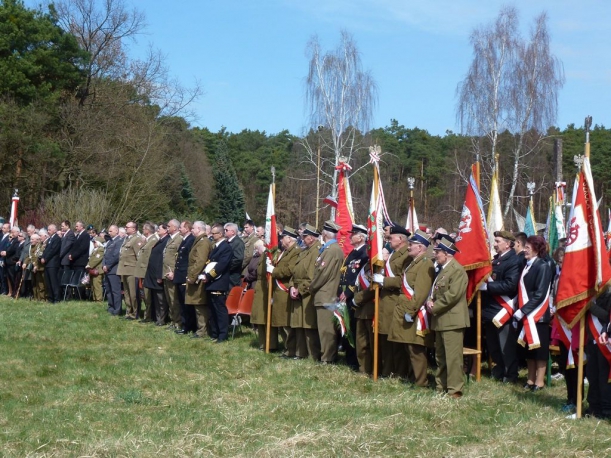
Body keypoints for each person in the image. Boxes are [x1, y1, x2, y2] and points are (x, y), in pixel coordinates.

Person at [388, 229, 435, 386]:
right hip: (404, 308)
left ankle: (421, 382)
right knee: (407, 346)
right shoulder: (413, 262)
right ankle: (410, 376)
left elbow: (421, 292)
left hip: (414, 311)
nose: (408, 247)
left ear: (420, 247)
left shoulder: (425, 263)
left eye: (412, 245)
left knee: (416, 348)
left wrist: (411, 311)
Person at [426, 238, 469, 398]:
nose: (435, 254)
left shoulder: (457, 270)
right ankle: (441, 386)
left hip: (452, 321)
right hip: (441, 320)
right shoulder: (443, 270)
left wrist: (434, 307)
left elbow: (453, 295)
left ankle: (454, 390)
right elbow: (436, 291)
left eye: (438, 252)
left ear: (447, 253)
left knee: (453, 357)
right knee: (441, 357)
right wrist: (430, 301)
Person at [370, 225, 413, 376]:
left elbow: (404, 280)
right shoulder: (394, 253)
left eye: (390, 238)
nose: (388, 240)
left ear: (400, 239)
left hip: (396, 300)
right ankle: (387, 370)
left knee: (396, 341)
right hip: (386, 300)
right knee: (385, 339)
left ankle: (399, 373)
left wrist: (384, 281)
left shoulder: (407, 255)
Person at [479, 231, 521, 384]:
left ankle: (510, 374)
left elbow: (510, 285)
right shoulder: (496, 259)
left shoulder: (514, 261)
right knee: (493, 344)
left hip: (503, 309)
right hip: (491, 309)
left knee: (506, 345)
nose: (495, 244)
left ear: (508, 244)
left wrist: (488, 287)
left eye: (497, 241)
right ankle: (499, 370)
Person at [513, 235, 553, 392]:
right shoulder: (526, 265)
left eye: (528, 248)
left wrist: (523, 310)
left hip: (538, 315)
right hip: (526, 314)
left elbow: (540, 294)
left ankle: (540, 381)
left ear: (537, 249)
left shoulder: (543, 266)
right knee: (528, 349)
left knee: (539, 350)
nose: (525, 250)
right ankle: (530, 379)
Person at [310, 221, 345, 364]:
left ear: (324, 234)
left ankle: (328, 358)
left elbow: (323, 273)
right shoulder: (330, 249)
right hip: (325, 293)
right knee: (324, 328)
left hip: (326, 294)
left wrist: (312, 287)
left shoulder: (331, 250)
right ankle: (326, 356)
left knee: (326, 329)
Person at [337, 224, 369, 370]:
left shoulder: (364, 253)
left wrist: (348, 292)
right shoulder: (353, 253)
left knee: (353, 328)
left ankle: (355, 360)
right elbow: (344, 273)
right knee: (347, 326)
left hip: (353, 295)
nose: (350, 236)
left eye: (353, 234)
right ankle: (349, 357)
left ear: (361, 237)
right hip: (344, 295)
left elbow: (359, 276)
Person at [290, 224, 322, 359]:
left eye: (304, 236)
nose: (302, 239)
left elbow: (312, 276)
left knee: (309, 325)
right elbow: (294, 272)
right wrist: (292, 286)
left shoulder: (316, 251)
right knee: (298, 324)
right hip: (298, 289)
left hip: (307, 292)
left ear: (311, 238)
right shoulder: (304, 251)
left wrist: (300, 289)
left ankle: (312, 354)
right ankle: (300, 352)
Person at [268, 226, 301, 358]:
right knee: (280, 322)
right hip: (279, 291)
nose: (281, 240)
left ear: (289, 238)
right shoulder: (286, 251)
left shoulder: (296, 252)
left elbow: (290, 270)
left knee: (286, 323)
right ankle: (287, 348)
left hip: (285, 290)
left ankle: (290, 350)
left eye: (282, 238)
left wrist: (273, 271)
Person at [202, 223, 233, 343]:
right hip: (211, 282)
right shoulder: (216, 247)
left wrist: (209, 276)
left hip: (219, 282)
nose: (212, 235)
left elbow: (221, 266)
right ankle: (214, 333)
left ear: (220, 234)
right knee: (212, 309)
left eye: (214, 233)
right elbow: (209, 263)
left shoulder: (226, 248)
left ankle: (222, 335)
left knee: (219, 310)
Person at [185, 221, 213, 338]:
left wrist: (192, 277)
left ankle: (202, 331)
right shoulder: (199, 241)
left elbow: (200, 261)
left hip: (198, 278)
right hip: (196, 276)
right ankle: (200, 329)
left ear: (199, 229)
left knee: (200, 305)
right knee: (196, 305)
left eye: (193, 228)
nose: (191, 230)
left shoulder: (203, 242)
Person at [144, 223, 170, 326]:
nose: (157, 230)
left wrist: (160, 275)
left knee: (161, 299)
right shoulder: (160, 240)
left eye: (159, 228)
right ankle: (157, 317)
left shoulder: (166, 241)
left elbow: (161, 260)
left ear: (165, 230)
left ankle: (162, 319)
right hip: (152, 274)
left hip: (158, 274)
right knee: (155, 298)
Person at [116, 221, 143, 320]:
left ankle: (135, 313)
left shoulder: (137, 239)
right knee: (126, 293)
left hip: (132, 270)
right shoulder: (127, 238)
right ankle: (128, 311)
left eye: (127, 227)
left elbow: (139, 256)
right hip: (124, 270)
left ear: (134, 229)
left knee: (133, 293)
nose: (125, 228)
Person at [173, 221, 195, 335]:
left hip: (184, 275)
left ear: (187, 228)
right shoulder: (185, 240)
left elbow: (189, 260)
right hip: (179, 274)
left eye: (181, 227)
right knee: (181, 302)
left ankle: (188, 326)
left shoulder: (191, 240)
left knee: (186, 303)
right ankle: (184, 325)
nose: (179, 229)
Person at [134, 222, 158, 321]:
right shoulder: (148, 240)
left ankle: (148, 316)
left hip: (146, 271)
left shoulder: (153, 240)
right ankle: (147, 315)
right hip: (142, 271)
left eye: (144, 229)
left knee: (147, 295)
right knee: (144, 294)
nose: (142, 231)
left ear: (147, 230)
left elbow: (149, 257)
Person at [163, 219, 183, 330]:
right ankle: (173, 321)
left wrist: (174, 272)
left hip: (172, 274)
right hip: (166, 273)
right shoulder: (170, 239)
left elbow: (179, 258)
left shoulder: (179, 239)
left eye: (168, 226)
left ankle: (178, 322)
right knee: (169, 299)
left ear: (175, 227)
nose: (167, 227)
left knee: (174, 299)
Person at [103, 225, 123, 315]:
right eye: (109, 231)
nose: (109, 233)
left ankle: (117, 309)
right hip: (106, 269)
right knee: (108, 290)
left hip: (113, 269)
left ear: (116, 231)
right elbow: (105, 255)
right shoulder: (110, 242)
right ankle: (111, 307)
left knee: (115, 291)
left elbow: (116, 256)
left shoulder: (119, 241)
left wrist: (108, 266)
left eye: (111, 231)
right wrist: (103, 264)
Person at [40, 224, 62, 303]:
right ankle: (50, 298)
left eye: (49, 230)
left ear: (54, 230)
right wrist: (42, 257)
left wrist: (45, 258)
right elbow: (46, 250)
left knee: (54, 282)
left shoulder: (57, 239)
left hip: (53, 263)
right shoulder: (49, 239)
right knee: (48, 282)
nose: (48, 231)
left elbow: (53, 250)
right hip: (47, 264)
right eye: (48, 230)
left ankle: (56, 299)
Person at [225, 222, 245, 288]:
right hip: (227, 275)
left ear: (233, 232)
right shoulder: (227, 241)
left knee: (231, 292)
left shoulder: (238, 242)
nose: (224, 231)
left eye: (226, 230)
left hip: (233, 276)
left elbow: (238, 259)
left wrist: (226, 268)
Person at [86, 236, 106, 302]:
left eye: (94, 242)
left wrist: (89, 265)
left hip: (97, 270)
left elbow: (97, 259)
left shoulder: (101, 250)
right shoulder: (95, 250)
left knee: (97, 285)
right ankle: (94, 298)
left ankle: (99, 299)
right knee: (93, 285)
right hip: (92, 270)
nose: (93, 244)